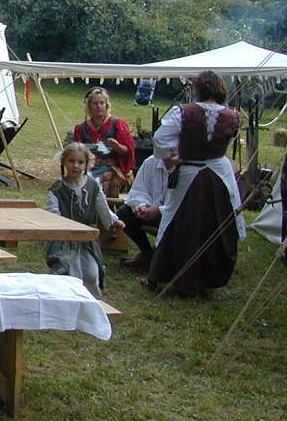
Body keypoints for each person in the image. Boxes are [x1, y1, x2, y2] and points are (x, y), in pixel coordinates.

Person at [145, 71, 245, 295]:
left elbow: (159, 139)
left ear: (199, 89)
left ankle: (160, 275)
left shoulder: (183, 112)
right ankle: (206, 278)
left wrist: (173, 155)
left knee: (177, 221)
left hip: (190, 172)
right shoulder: (233, 116)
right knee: (215, 223)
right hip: (220, 174)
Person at [44, 142, 124, 297]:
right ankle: (69, 304)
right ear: (64, 162)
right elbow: (52, 216)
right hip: (64, 240)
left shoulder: (92, 185)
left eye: (80, 162)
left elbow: (102, 206)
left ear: (86, 164)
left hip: (87, 240)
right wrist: (63, 230)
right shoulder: (57, 189)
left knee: (92, 275)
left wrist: (113, 221)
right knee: (72, 276)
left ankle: (91, 305)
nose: (75, 166)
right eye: (71, 161)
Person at [73, 87, 137, 195]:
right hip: (88, 169)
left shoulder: (117, 124)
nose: (99, 106)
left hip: (111, 169)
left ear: (106, 105)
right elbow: (76, 153)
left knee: (107, 181)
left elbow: (128, 151)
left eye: (102, 103)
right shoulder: (81, 128)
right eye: (95, 103)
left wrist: (117, 147)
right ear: (89, 105)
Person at [115, 155, 171, 271]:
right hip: (152, 213)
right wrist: (142, 206)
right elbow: (138, 191)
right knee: (124, 213)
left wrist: (159, 210)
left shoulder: (188, 167)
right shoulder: (150, 162)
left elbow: (184, 204)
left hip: (175, 217)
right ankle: (147, 253)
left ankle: (163, 258)